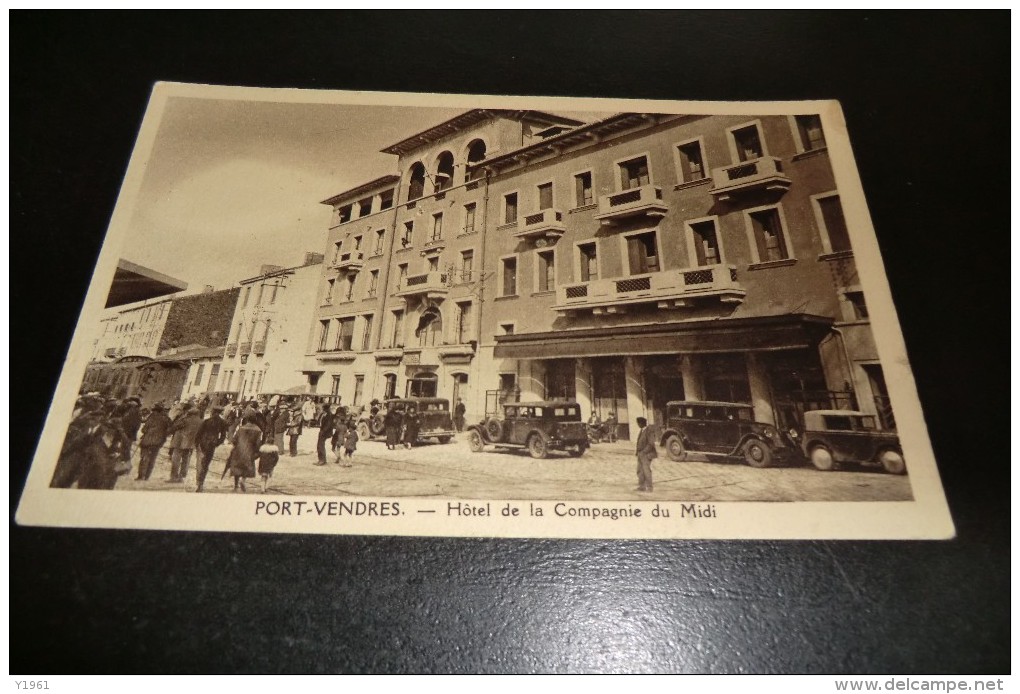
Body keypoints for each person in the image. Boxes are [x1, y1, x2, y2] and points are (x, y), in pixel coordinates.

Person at [194, 406, 228, 493]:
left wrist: (196, 444)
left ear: (213, 412)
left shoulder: (206, 421)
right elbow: (223, 436)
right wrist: (217, 443)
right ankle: (201, 483)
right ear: (220, 412)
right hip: (212, 445)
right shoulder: (222, 422)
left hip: (203, 444)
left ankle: (199, 482)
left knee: (200, 463)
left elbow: (199, 433)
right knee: (205, 464)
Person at [136, 402, 172, 481]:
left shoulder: (152, 417)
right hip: (158, 442)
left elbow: (144, 429)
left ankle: (141, 476)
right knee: (152, 459)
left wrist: (147, 431)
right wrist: (163, 435)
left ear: (155, 410)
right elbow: (170, 430)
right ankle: (146, 477)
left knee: (144, 458)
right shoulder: (166, 418)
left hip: (147, 441)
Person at [168, 404, 203, 483]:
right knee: (186, 461)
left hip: (180, 443)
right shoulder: (201, 421)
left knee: (176, 459)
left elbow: (175, 426)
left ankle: (173, 477)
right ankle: (182, 477)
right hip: (190, 444)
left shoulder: (185, 419)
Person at [225, 416, 261, 493]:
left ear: (247, 420)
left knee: (237, 468)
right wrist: (257, 452)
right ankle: (243, 481)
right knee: (246, 467)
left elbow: (234, 440)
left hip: (238, 450)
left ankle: (235, 486)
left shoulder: (241, 428)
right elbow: (258, 443)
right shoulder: (258, 430)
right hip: (249, 451)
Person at [634, 416, 656, 493]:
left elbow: (651, 444)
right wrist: (638, 452)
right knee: (639, 470)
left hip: (646, 454)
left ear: (642, 423)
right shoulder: (642, 430)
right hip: (640, 453)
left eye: (638, 423)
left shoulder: (649, 431)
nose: (638, 425)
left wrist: (644, 452)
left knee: (646, 471)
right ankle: (642, 486)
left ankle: (649, 487)